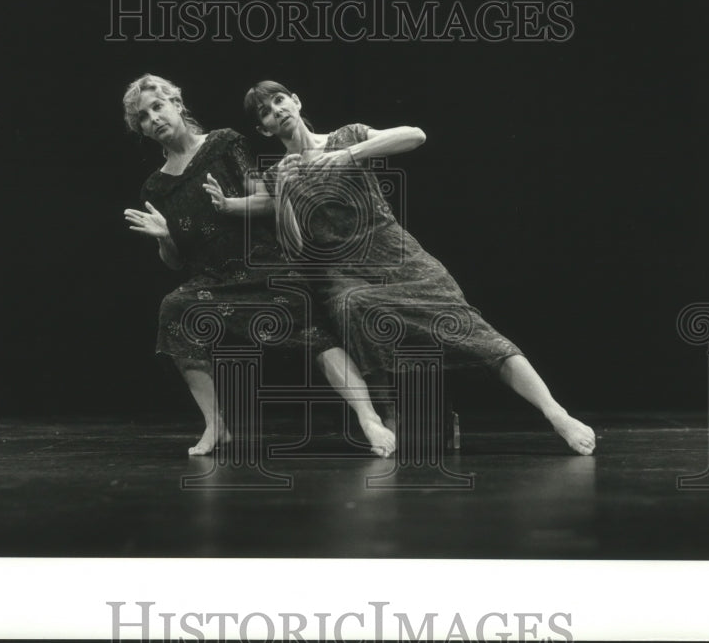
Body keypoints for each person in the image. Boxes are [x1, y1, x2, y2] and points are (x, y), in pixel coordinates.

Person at [211, 79, 596, 455]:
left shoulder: (347, 136)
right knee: (353, 307)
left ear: (295, 101)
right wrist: (286, 193)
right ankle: (389, 416)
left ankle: (556, 413)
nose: (276, 111)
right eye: (266, 112)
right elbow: (294, 244)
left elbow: (415, 134)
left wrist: (348, 155)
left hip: (393, 250)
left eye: (279, 101)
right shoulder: (278, 174)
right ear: (264, 129)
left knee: (472, 328)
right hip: (340, 271)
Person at [121, 74, 395, 457]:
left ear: (176, 104)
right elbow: (175, 262)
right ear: (143, 131)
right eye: (144, 118)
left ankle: (368, 418)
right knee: (175, 309)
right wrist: (165, 236)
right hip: (215, 279)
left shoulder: (223, 144)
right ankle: (216, 426)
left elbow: (266, 201)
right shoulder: (156, 187)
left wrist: (228, 206)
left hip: (264, 263)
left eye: (157, 107)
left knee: (305, 321)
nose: (154, 119)